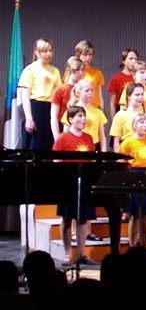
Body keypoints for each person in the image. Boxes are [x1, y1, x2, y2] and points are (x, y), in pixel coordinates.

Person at [52, 105, 98, 266]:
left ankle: (81, 254)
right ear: (70, 119)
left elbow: (92, 161)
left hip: (84, 183)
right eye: (79, 116)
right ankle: (67, 254)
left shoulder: (89, 138)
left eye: (84, 116)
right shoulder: (63, 138)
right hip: (68, 183)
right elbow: (56, 160)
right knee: (67, 217)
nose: (83, 119)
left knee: (83, 219)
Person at [118, 113, 146, 248]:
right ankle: (132, 246)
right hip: (133, 175)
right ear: (134, 126)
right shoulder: (127, 142)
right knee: (134, 214)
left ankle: (144, 247)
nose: (145, 125)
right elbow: (121, 162)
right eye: (142, 123)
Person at [19, 38, 62, 150]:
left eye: (50, 50)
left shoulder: (55, 71)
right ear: (37, 52)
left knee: (50, 143)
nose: (48, 54)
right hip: (36, 109)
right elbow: (25, 96)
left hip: (51, 110)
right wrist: (29, 118)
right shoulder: (30, 69)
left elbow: (59, 93)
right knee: (36, 145)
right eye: (45, 51)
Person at [118, 60, 146, 132]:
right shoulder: (128, 89)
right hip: (132, 130)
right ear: (134, 75)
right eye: (142, 72)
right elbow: (122, 111)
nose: (145, 75)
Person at [50, 56, 85, 142]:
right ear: (69, 71)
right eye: (77, 70)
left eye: (82, 69)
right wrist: (57, 137)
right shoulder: (60, 90)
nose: (80, 73)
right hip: (64, 127)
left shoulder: (84, 89)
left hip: (82, 127)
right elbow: (54, 116)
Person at [110, 82, 146, 151]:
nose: (140, 97)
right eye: (137, 95)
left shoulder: (145, 114)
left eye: (142, 94)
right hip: (127, 150)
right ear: (129, 96)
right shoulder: (120, 115)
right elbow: (116, 141)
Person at [107, 48, 138, 119]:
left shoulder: (139, 78)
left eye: (136, 59)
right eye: (131, 59)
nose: (134, 61)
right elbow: (112, 103)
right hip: (121, 110)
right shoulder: (115, 79)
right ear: (124, 61)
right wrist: (114, 120)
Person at [73, 40, 105, 110]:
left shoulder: (97, 73)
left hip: (95, 108)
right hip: (78, 109)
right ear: (78, 55)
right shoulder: (72, 72)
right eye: (85, 55)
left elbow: (100, 95)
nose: (88, 58)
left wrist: (101, 110)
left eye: (90, 54)